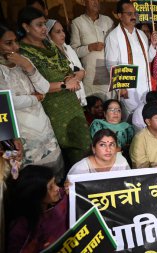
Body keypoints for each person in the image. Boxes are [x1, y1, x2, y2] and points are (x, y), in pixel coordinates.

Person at [18, 7, 91, 168]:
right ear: (25, 27)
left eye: (44, 24)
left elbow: (66, 68)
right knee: (62, 153)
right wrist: (64, 84)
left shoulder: (49, 44)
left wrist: (68, 77)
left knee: (83, 147)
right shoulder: (22, 53)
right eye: (39, 25)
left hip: (71, 103)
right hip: (50, 108)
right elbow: (32, 87)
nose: (44, 28)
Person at [0, 24, 63, 173]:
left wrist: (27, 65)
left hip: (43, 127)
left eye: (15, 41)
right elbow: (7, 101)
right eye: (8, 43)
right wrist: (35, 98)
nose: (15, 46)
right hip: (20, 133)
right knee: (31, 181)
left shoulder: (23, 61)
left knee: (54, 176)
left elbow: (44, 88)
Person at [105, 0, 157, 117]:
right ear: (120, 15)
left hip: (145, 84)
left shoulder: (141, 34)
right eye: (129, 14)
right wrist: (121, 87)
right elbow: (110, 64)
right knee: (132, 117)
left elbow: (148, 59)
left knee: (146, 115)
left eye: (135, 13)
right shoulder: (113, 36)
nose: (134, 16)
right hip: (128, 86)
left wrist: (153, 45)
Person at [7, 165, 68, 253]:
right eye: (50, 187)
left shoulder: (62, 195)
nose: (57, 188)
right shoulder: (21, 229)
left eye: (55, 182)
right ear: (36, 195)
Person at [70, 0, 114, 100]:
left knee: (108, 106)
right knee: (93, 108)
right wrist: (89, 48)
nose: (96, 2)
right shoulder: (77, 23)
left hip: (106, 73)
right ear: (84, 2)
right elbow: (72, 52)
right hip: (89, 74)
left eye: (98, 0)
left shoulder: (108, 21)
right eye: (92, 0)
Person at [46, 19, 87, 106]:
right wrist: (74, 77)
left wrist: (77, 76)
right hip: (63, 96)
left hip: (77, 91)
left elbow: (82, 71)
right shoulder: (49, 54)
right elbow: (59, 77)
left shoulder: (68, 48)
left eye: (63, 31)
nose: (63, 34)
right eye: (58, 32)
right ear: (49, 35)